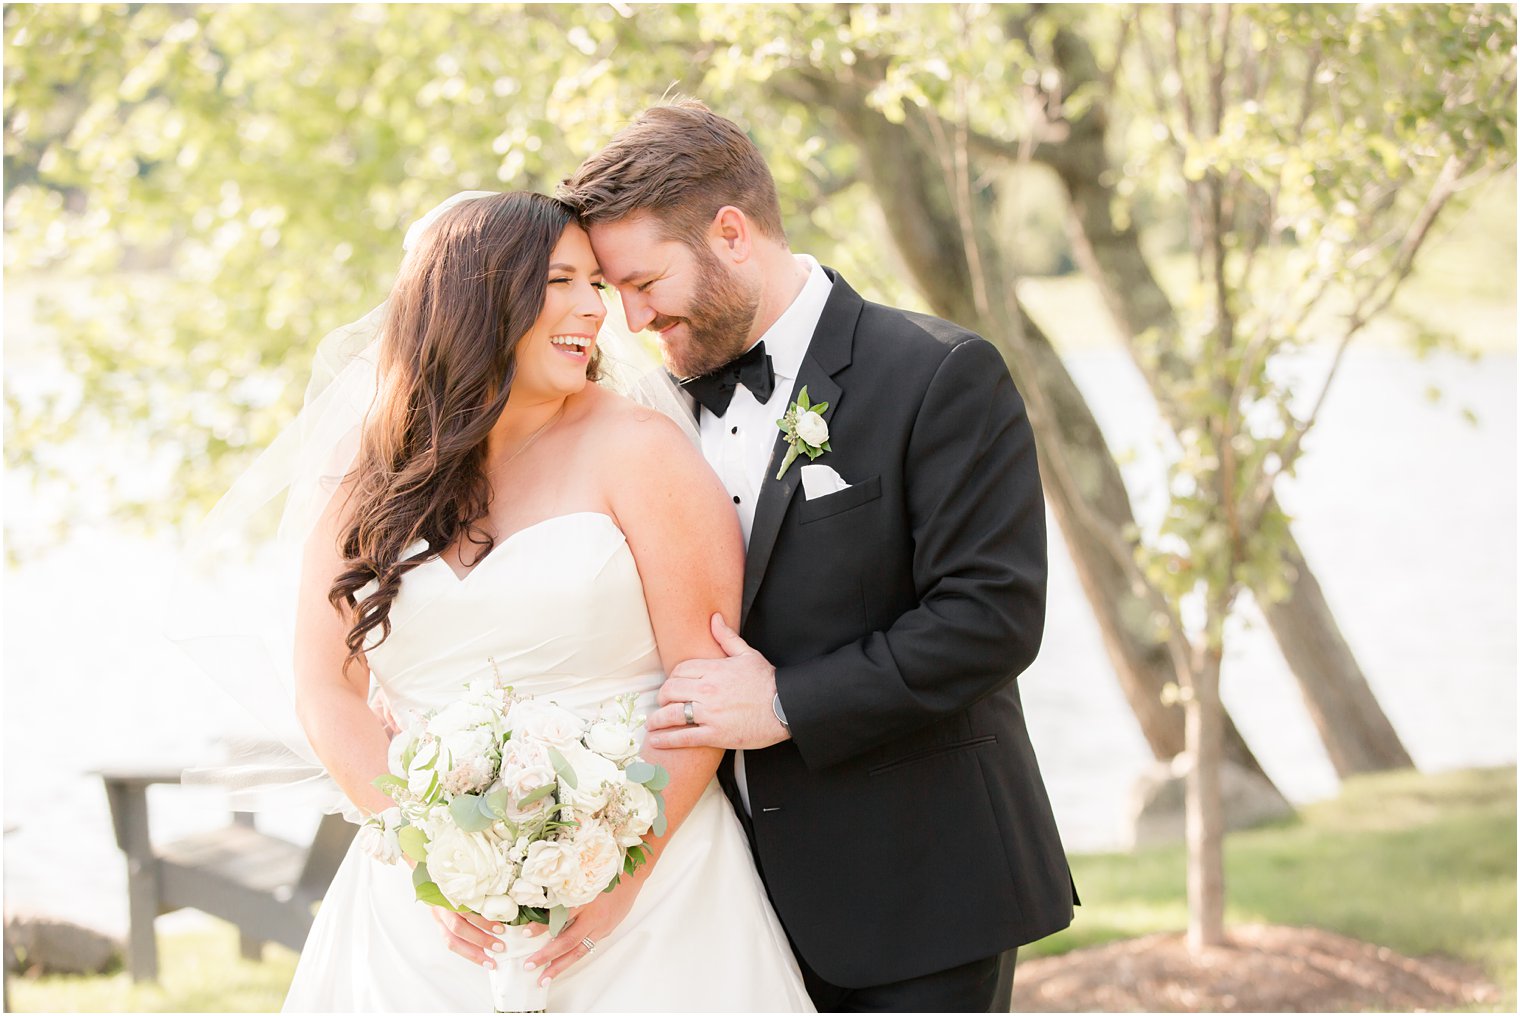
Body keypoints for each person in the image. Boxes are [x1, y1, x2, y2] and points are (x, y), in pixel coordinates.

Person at [558, 100, 1078, 1012]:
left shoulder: (940, 373)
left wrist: (785, 703)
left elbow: (988, 620)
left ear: (730, 233)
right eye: (613, 294)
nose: (631, 320)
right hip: (714, 910)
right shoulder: (649, 414)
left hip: (918, 892)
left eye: (643, 282)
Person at [279, 191, 812, 1011]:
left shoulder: (642, 451)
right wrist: (429, 853)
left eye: (595, 282)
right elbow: (325, 686)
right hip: (426, 923)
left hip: (651, 900)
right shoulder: (369, 484)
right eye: (559, 280)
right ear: (476, 297)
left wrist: (622, 873)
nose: (593, 309)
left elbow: (703, 683)